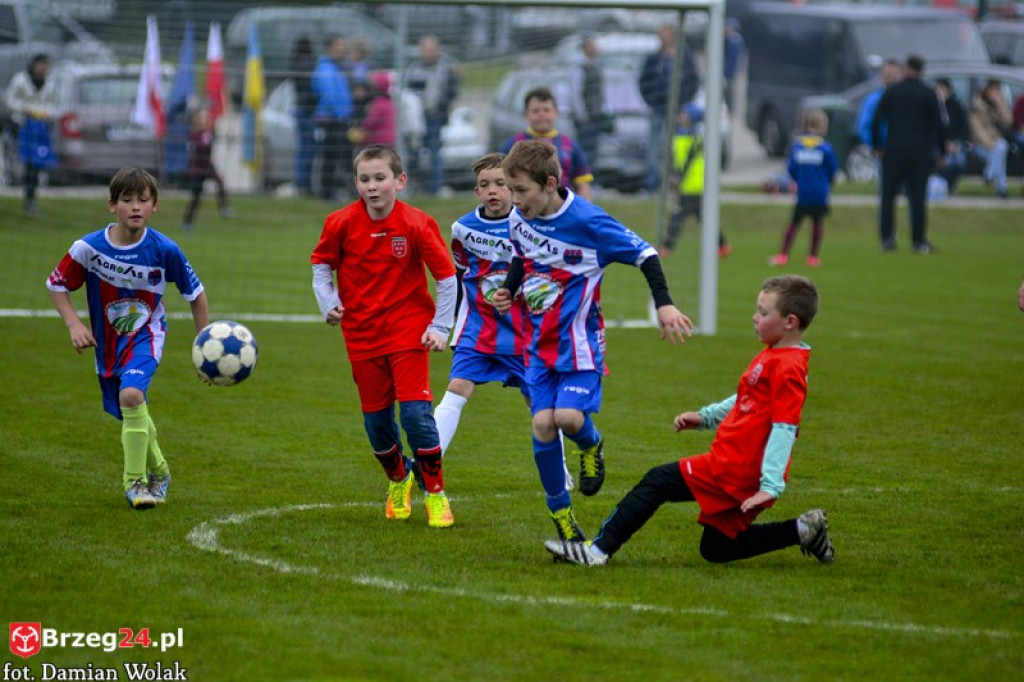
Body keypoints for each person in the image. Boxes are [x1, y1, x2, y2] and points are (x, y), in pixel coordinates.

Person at [544, 275, 835, 568]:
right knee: (717, 547)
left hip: (737, 469)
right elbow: (746, 398)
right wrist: (706, 417)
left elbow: (785, 428)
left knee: (657, 482)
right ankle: (803, 530)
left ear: (790, 322)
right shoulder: (776, 354)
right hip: (738, 466)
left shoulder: (788, 368)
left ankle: (597, 550)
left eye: (763, 312)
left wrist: (770, 486)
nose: (754, 317)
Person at [491, 140, 694, 542]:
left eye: (521, 191)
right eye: (511, 191)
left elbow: (646, 255)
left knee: (567, 419)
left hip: (580, 344)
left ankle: (592, 446)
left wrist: (665, 305)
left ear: (549, 184)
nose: (514, 201)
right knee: (542, 424)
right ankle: (562, 518)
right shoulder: (519, 219)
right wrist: (509, 289)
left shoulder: (589, 221)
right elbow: (520, 255)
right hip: (538, 346)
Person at [311, 144, 458, 528]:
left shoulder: (417, 223)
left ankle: (437, 494)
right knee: (376, 424)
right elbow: (321, 267)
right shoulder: (340, 223)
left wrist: (440, 327)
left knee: (415, 414)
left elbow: (446, 277)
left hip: (409, 331)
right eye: (365, 179)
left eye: (380, 178)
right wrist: (328, 303)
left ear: (400, 181)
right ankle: (399, 479)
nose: (372, 187)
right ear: (356, 183)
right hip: (361, 335)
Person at [45, 167, 209, 509]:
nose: (135, 207)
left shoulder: (165, 249)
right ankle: (161, 470)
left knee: (132, 394)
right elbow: (57, 284)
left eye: (143, 200)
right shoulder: (87, 248)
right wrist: (74, 324)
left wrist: (203, 344)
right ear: (112, 205)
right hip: (107, 343)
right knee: (128, 408)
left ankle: (135, 483)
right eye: (127, 200)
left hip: (147, 334)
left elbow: (195, 294)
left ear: (155, 206)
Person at [434, 153, 532, 454]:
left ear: (514, 188)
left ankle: (561, 470)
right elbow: (459, 274)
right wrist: (444, 323)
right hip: (479, 326)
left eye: (501, 184)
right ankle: (429, 462)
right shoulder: (463, 229)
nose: (493, 191)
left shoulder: (531, 225)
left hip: (524, 332)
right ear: (477, 191)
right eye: (485, 185)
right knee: (457, 388)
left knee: (540, 404)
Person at [871, 54, 945, 254]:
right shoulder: (929, 93)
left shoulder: (893, 91)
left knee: (888, 196)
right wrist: (942, 151)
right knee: (918, 198)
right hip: (920, 153)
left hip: (894, 151)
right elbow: (939, 125)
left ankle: (887, 239)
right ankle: (918, 241)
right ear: (922, 70)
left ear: (906, 69)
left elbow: (877, 120)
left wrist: (878, 146)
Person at [658, 103, 730, 259]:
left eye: (684, 114)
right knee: (704, 218)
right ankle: (723, 245)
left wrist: (677, 179)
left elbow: (683, 161)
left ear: (692, 118)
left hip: (691, 186)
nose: (681, 116)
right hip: (692, 185)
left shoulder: (691, 139)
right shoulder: (692, 137)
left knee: (677, 217)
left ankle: (665, 248)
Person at [499, 86, 593, 200]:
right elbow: (500, 180)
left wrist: (583, 211)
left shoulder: (570, 145)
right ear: (526, 114)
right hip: (525, 208)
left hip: (563, 209)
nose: (541, 114)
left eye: (546, 110)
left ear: (556, 112)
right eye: (536, 111)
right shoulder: (513, 144)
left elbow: (583, 184)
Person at [771, 109, 838, 267]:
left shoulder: (798, 146)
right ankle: (813, 257)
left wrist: (799, 180)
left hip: (803, 192)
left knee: (794, 223)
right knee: (817, 223)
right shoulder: (825, 148)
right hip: (820, 192)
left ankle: (783, 255)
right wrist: (825, 182)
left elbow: (791, 168)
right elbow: (832, 169)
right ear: (823, 126)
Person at [639, 24, 700, 193]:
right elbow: (643, 81)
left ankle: (675, 183)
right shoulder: (654, 58)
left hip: (677, 111)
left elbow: (693, 80)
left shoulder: (684, 56)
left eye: (664, 34)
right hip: (657, 109)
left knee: (673, 147)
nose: (661, 37)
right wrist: (650, 100)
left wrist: (684, 105)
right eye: (659, 34)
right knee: (655, 146)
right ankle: (652, 183)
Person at [403, 35, 460, 195]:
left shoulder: (446, 68)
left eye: (431, 49)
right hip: (416, 118)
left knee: (435, 151)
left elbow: (452, 91)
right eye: (425, 49)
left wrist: (443, 108)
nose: (428, 53)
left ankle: (436, 187)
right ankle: (415, 185)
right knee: (414, 151)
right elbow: (409, 91)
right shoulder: (414, 68)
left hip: (435, 116)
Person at [4, 54, 58, 217]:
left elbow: (52, 103)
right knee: (23, 163)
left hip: (41, 128)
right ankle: (21, 192)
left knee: (37, 164)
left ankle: (31, 199)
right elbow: (9, 100)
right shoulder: (20, 80)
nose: (43, 68)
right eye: (40, 64)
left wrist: (47, 113)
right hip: (22, 127)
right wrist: (24, 109)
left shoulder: (50, 82)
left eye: (46, 65)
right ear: (33, 65)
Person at [313, 34, 354, 202]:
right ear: (330, 47)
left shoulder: (334, 67)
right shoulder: (326, 69)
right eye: (339, 45)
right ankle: (327, 191)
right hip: (332, 119)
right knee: (330, 155)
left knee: (337, 155)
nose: (342, 49)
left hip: (338, 118)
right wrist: (342, 114)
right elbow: (330, 95)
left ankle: (334, 190)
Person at [182, 107, 232, 232]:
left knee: (219, 181)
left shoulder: (206, 132)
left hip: (208, 165)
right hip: (198, 168)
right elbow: (198, 148)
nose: (203, 120)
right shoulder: (193, 134)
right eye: (200, 118)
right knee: (196, 198)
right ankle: (187, 222)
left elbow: (211, 141)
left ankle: (223, 208)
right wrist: (206, 139)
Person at [968, 79, 1014, 199]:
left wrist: (1001, 106)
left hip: (996, 145)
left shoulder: (999, 105)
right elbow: (977, 130)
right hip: (980, 145)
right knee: (1001, 150)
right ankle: (1001, 189)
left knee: (1001, 149)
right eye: (993, 90)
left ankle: (989, 174)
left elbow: (1008, 123)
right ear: (986, 90)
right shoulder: (977, 106)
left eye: (997, 91)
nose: (995, 93)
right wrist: (990, 144)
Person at [568, 34, 604, 174]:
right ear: (586, 47)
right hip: (586, 117)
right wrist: (582, 115)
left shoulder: (595, 65)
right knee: (585, 150)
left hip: (595, 115)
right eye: (594, 45)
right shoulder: (579, 67)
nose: (597, 49)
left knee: (593, 150)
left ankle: (591, 179)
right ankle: (582, 179)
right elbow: (575, 93)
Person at [289, 35, 318, 197]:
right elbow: (309, 89)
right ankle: (304, 184)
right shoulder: (307, 64)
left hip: (299, 109)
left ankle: (301, 183)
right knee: (309, 150)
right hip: (307, 111)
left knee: (302, 150)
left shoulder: (295, 62)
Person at [935, 78, 970, 195]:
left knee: (959, 161)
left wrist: (955, 143)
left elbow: (964, 129)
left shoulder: (956, 107)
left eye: (942, 89)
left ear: (949, 91)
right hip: (936, 145)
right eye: (937, 89)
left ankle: (949, 186)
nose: (940, 92)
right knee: (940, 160)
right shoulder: (931, 107)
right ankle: (942, 187)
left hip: (954, 145)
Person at [347, 71, 396, 149]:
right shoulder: (389, 102)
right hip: (389, 140)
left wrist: (361, 130)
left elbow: (370, 123)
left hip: (378, 142)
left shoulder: (379, 103)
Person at [722, 18, 745, 114]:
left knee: (729, 95)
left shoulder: (733, 39)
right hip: (731, 72)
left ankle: (729, 112)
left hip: (730, 72)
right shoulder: (736, 39)